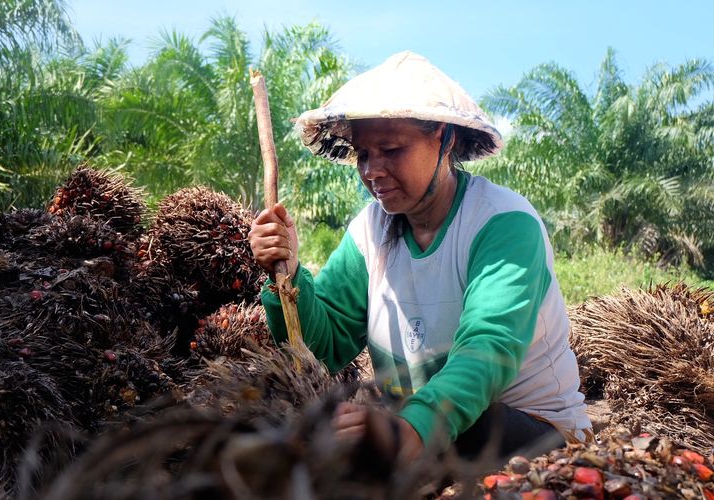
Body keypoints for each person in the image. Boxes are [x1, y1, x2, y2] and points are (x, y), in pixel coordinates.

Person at [248, 51, 591, 464]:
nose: (372, 170)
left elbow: (488, 346)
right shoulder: (369, 233)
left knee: (473, 430)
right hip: (425, 432)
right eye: (363, 154)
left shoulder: (503, 224)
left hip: (532, 433)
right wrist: (286, 276)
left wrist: (411, 427)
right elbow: (325, 346)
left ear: (444, 140)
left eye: (391, 150)